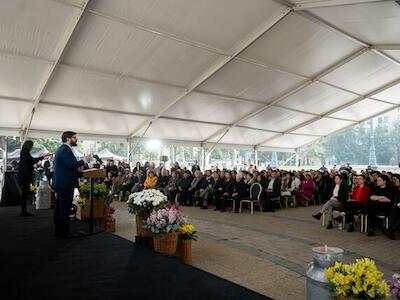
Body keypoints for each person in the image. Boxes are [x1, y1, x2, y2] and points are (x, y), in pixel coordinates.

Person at [53, 131, 91, 238]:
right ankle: (63, 232)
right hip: (64, 184)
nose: (76, 139)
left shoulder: (63, 149)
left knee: (61, 208)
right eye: (74, 138)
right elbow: (71, 164)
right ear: (68, 139)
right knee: (64, 209)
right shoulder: (65, 149)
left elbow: (67, 167)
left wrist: (80, 173)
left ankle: (59, 231)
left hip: (62, 183)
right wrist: (84, 160)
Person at [18, 140, 47, 216]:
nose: (32, 147)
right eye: (31, 146)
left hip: (24, 175)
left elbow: (30, 161)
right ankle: (23, 211)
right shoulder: (25, 152)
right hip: (25, 176)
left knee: (25, 192)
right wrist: (42, 157)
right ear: (29, 146)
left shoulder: (24, 152)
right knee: (25, 193)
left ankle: (24, 210)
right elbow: (32, 160)